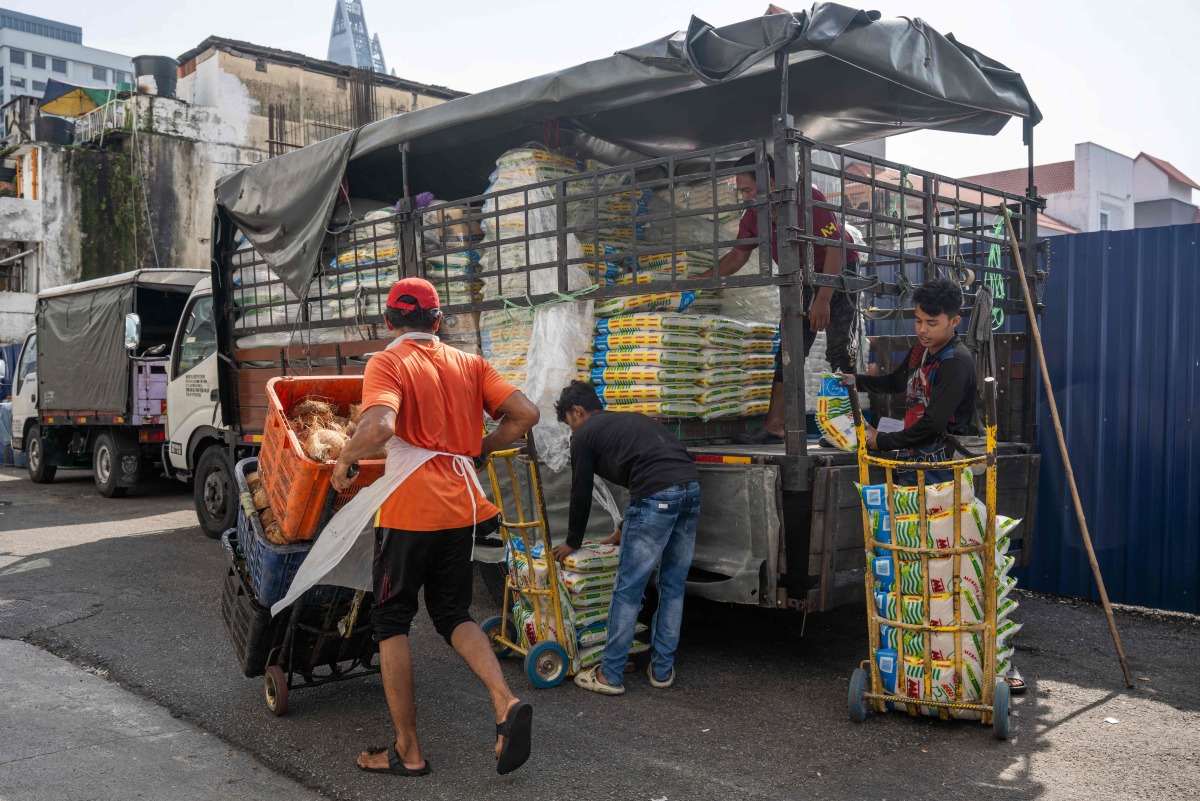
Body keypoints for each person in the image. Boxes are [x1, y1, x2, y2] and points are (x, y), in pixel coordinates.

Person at [330, 277, 542, 776]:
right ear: (438, 321)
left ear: (389, 321)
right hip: (462, 508)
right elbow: (526, 414)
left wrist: (345, 457)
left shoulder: (388, 360)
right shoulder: (469, 363)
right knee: (451, 611)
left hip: (409, 509)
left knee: (391, 620)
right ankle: (504, 701)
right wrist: (479, 449)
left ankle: (408, 751)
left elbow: (380, 426)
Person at [550, 381, 701, 696]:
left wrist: (572, 542)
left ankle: (611, 674)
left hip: (657, 497)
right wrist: (624, 528)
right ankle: (661, 670)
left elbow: (581, 492)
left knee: (628, 588)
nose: (570, 430)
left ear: (576, 411)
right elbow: (650, 468)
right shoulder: (630, 421)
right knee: (672, 587)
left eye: (568, 422)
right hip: (691, 489)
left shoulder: (584, 435)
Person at [698, 152, 859, 445]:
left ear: (771, 182)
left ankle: (848, 429)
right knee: (789, 349)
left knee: (838, 350)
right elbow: (737, 255)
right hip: (803, 276)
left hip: (839, 271)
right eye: (742, 191)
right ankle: (774, 426)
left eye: (748, 190)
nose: (744, 197)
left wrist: (823, 299)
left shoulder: (808, 198)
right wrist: (701, 279)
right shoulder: (753, 214)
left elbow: (834, 248)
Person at [841, 279, 975, 483]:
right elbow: (895, 383)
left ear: (954, 321)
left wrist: (884, 441)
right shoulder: (920, 351)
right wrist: (855, 381)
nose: (922, 330)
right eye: (918, 320)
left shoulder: (955, 362)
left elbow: (932, 423)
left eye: (932, 323)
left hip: (943, 467)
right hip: (914, 458)